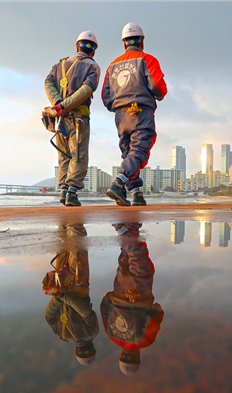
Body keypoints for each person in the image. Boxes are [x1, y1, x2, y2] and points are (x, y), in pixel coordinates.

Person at [102, 22, 167, 206]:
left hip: (121, 115)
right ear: (141, 41)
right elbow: (157, 86)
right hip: (141, 111)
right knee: (139, 149)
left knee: (129, 152)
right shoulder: (148, 60)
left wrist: (117, 107)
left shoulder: (112, 65)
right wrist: (159, 96)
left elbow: (105, 96)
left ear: (124, 43)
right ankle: (119, 183)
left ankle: (136, 193)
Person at [44, 31, 101, 207]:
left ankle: (63, 190)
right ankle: (71, 193)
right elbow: (86, 90)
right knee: (78, 156)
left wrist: (58, 104)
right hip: (79, 118)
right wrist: (65, 105)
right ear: (93, 50)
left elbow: (48, 83)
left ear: (77, 46)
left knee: (63, 155)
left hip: (60, 120)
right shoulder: (93, 67)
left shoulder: (58, 65)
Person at [100, 223, 164, 375]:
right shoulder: (112, 335)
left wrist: (150, 306)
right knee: (125, 259)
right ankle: (131, 230)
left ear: (138, 357)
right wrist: (115, 296)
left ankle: (125, 232)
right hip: (119, 291)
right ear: (121, 355)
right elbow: (104, 308)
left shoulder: (145, 341)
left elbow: (157, 315)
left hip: (141, 294)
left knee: (139, 260)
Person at [43, 224, 99, 366]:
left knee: (77, 243)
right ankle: (64, 211)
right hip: (59, 284)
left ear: (92, 348)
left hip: (79, 286)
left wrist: (64, 297)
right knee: (63, 243)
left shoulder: (91, 333)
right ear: (76, 350)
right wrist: (58, 296)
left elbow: (86, 312)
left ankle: (72, 207)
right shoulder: (61, 334)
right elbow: (48, 317)